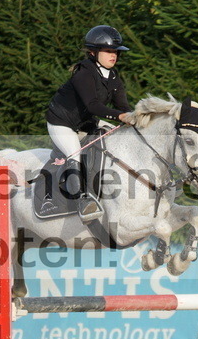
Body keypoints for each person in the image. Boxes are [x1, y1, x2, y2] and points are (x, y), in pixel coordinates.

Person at [40, 25, 133, 221]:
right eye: (108, 51)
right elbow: (93, 105)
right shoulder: (83, 73)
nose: (113, 55)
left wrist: (135, 117)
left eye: (115, 51)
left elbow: (123, 106)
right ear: (93, 52)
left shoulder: (113, 76)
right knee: (75, 154)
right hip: (62, 122)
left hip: (86, 122)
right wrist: (120, 117)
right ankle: (83, 201)